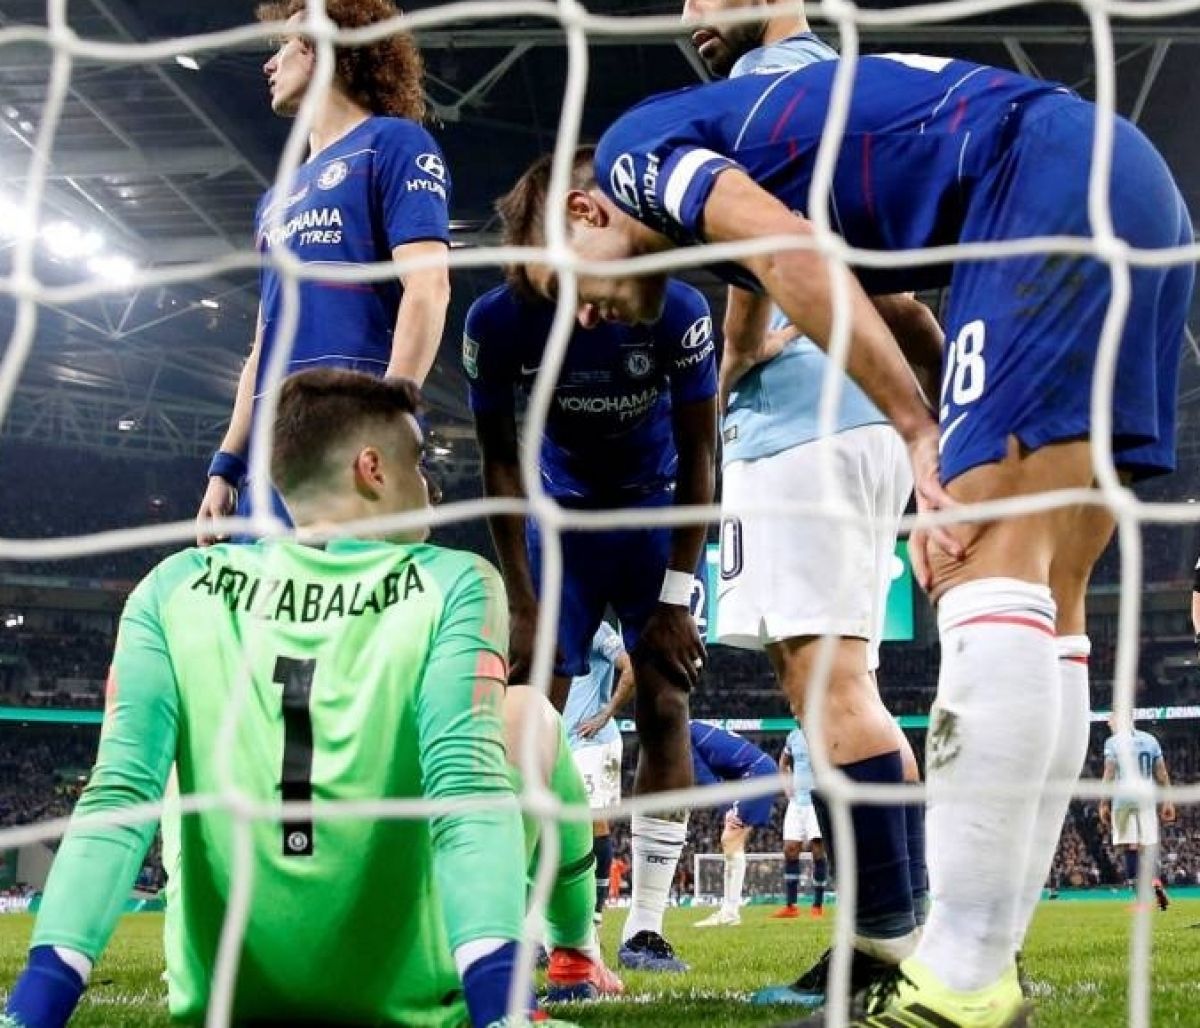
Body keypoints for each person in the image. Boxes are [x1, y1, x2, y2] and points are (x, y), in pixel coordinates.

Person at [549, 47, 1193, 1027]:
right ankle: (983, 967)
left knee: (987, 568)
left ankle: (959, 983)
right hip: (1127, 190)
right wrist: (942, 417)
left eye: (570, 283)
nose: (584, 314)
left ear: (586, 211)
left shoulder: (636, 152)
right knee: (1055, 595)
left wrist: (923, 434)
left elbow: (790, 254)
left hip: (1041, 186)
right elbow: (880, 297)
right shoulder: (755, 172)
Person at [4, 370, 619, 1028]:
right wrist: (499, 1009)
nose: (429, 491)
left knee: (165, 759)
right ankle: (570, 956)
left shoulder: (170, 587)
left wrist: (33, 1012)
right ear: (372, 469)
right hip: (411, 1003)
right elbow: (463, 788)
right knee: (529, 717)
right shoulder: (457, 582)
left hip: (226, 1003)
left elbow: (118, 802)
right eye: (418, 466)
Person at [681, 0, 933, 1005]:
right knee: (852, 684)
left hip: (798, 424)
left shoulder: (762, 89)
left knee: (823, 686)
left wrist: (737, 349)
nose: (689, 15)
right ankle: (908, 932)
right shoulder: (857, 88)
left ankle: (879, 949)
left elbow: (759, 235)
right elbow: (895, 283)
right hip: (865, 422)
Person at [466, 163, 719, 973]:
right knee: (528, 712)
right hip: (559, 524)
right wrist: (521, 596)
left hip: (653, 516)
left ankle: (645, 925)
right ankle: (535, 920)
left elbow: (702, 454)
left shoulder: (677, 307)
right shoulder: (496, 320)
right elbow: (498, 461)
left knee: (666, 701)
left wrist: (676, 596)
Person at [196, 0, 451, 543]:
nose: (270, 63)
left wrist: (389, 420)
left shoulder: (394, 144)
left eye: (286, 45)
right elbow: (263, 342)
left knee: (354, 598)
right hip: (275, 455)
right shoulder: (273, 201)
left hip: (354, 446)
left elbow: (429, 287)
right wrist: (226, 465)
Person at [563, 622, 637, 926]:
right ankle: (567, 909)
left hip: (594, 742)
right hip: (562, 741)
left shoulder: (594, 627)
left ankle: (594, 912)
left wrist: (606, 714)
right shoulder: (550, 625)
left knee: (593, 820)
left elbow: (631, 668)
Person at [688, 721, 779, 927]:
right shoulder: (692, 727)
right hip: (758, 771)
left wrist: (726, 808)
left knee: (730, 839)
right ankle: (729, 911)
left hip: (757, 773)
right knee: (731, 841)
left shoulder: (682, 734)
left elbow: (704, 775)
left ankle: (730, 912)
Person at [1099, 717, 1174, 912]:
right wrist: (1168, 801)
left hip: (1123, 800)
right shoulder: (1150, 740)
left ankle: (1141, 899)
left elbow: (1109, 773)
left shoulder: (1113, 743)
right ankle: (1154, 880)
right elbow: (1162, 773)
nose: (1108, 723)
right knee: (1145, 847)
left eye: (1111, 719)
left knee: (1130, 847)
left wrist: (1103, 803)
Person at [774, 723, 828, 921]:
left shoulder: (825, 732)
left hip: (818, 801)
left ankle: (817, 906)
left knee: (818, 850)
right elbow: (783, 763)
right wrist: (787, 787)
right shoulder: (793, 737)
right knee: (790, 849)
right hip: (797, 802)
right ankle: (791, 906)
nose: (796, 716)